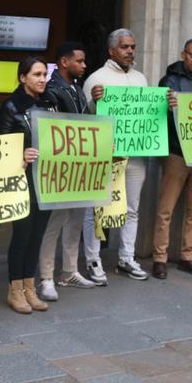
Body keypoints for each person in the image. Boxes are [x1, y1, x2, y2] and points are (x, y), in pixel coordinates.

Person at [82, 28, 151, 284]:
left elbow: (148, 116)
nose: (130, 51)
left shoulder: (142, 79)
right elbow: (83, 119)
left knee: (132, 208)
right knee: (96, 209)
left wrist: (166, 104)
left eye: (132, 47)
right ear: (112, 50)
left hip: (134, 155)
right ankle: (93, 259)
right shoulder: (96, 79)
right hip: (105, 157)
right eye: (125, 47)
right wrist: (93, 102)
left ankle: (127, 257)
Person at [34, 42, 97, 302]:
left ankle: (69, 271)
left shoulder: (76, 89)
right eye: (79, 61)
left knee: (75, 221)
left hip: (78, 167)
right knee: (55, 223)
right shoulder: (52, 90)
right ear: (64, 62)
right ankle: (46, 277)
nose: (84, 65)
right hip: (62, 168)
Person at [151, 38, 192, 279]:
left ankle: (188, 256)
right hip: (177, 152)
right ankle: (159, 257)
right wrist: (168, 109)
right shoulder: (169, 81)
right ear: (183, 54)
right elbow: (156, 117)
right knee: (166, 208)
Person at [0, 56, 55, 314]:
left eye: (44, 74)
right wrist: (22, 154)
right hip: (22, 182)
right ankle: (15, 289)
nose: (42, 79)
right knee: (22, 236)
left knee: (37, 236)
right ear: (23, 78)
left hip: (48, 181)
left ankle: (30, 287)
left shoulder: (50, 103)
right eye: (36, 75)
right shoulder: (11, 107)